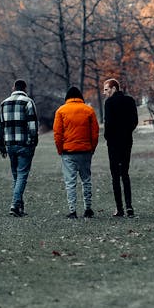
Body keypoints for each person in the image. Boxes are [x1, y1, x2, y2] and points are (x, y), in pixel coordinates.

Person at [53, 84, 99, 219]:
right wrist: (92, 148)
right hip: (85, 150)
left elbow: (57, 134)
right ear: (80, 97)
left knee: (70, 182)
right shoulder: (88, 110)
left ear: (67, 97)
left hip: (68, 151)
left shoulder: (61, 111)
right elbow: (95, 133)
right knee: (86, 180)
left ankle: (72, 210)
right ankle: (88, 209)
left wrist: (60, 149)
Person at [0, 79, 39, 216]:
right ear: (25, 88)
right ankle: (15, 205)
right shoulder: (28, 102)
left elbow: (0, 127)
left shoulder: (4, 103)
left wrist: (1, 145)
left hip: (10, 145)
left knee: (16, 176)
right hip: (24, 144)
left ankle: (20, 208)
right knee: (22, 175)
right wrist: (33, 141)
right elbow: (32, 125)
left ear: (13, 87)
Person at [103, 77, 138, 217]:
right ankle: (129, 206)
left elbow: (108, 123)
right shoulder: (130, 101)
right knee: (125, 173)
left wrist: (108, 137)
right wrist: (127, 132)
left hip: (113, 144)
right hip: (127, 141)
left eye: (106, 89)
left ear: (113, 88)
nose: (104, 92)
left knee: (115, 176)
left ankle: (119, 208)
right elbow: (134, 121)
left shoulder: (109, 103)